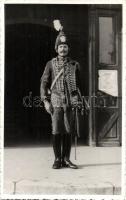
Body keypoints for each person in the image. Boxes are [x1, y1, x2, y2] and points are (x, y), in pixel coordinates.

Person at [40, 23, 82, 169]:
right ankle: (58, 159)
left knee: (68, 130)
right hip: (56, 101)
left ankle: (67, 159)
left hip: (70, 102)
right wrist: (45, 101)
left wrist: (79, 100)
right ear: (56, 49)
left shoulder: (74, 65)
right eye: (60, 47)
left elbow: (79, 85)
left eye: (65, 47)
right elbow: (43, 84)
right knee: (57, 130)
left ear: (68, 48)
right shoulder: (50, 64)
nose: (63, 49)